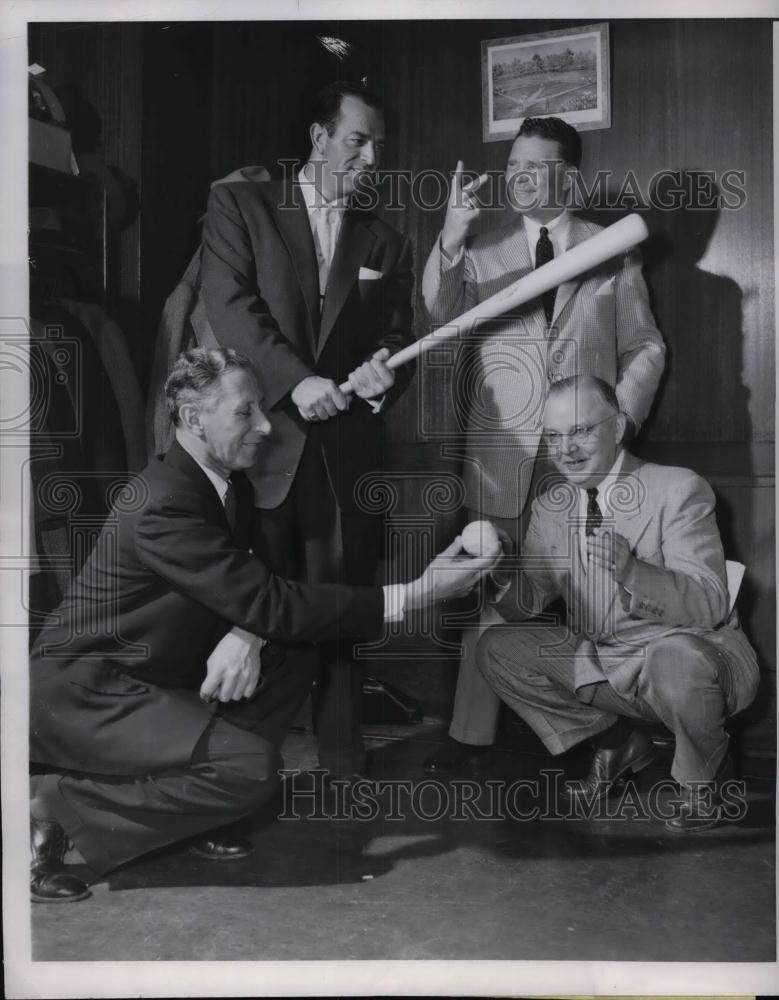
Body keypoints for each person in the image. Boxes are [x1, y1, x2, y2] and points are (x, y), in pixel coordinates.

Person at [29, 348, 500, 903]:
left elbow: (256, 585)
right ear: (192, 418)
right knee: (252, 772)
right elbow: (273, 600)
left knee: (294, 651)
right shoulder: (164, 502)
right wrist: (418, 594)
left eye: (262, 408)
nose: (265, 425)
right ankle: (54, 805)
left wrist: (247, 632)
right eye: (245, 412)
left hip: (150, 672)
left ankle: (197, 811)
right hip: (90, 692)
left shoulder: (220, 481)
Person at [420, 116, 666, 770]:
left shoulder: (613, 248)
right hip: (499, 457)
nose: (520, 177)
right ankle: (472, 737)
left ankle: (603, 733)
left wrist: (620, 423)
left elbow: (645, 346)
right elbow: (438, 318)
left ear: (571, 176)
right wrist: (449, 236)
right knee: (489, 590)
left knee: (586, 597)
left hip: (581, 458)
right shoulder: (481, 249)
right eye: (513, 166)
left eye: (537, 166)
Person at [200, 81, 415, 782]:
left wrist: (384, 374)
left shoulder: (385, 238)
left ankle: (344, 767)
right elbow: (232, 308)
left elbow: (393, 335)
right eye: (358, 140)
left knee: (342, 612)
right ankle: (227, 776)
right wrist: (297, 381)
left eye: (377, 144)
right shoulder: (240, 205)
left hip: (342, 456)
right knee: (245, 613)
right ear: (319, 139)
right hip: (259, 448)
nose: (371, 157)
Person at [476, 376, 759, 831]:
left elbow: (709, 603)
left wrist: (632, 572)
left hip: (696, 656)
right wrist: (496, 569)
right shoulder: (551, 507)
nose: (565, 448)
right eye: (553, 435)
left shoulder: (678, 489)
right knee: (498, 648)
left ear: (619, 428)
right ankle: (617, 743)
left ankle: (703, 783)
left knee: (675, 657)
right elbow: (525, 606)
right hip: (610, 665)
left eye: (581, 430)